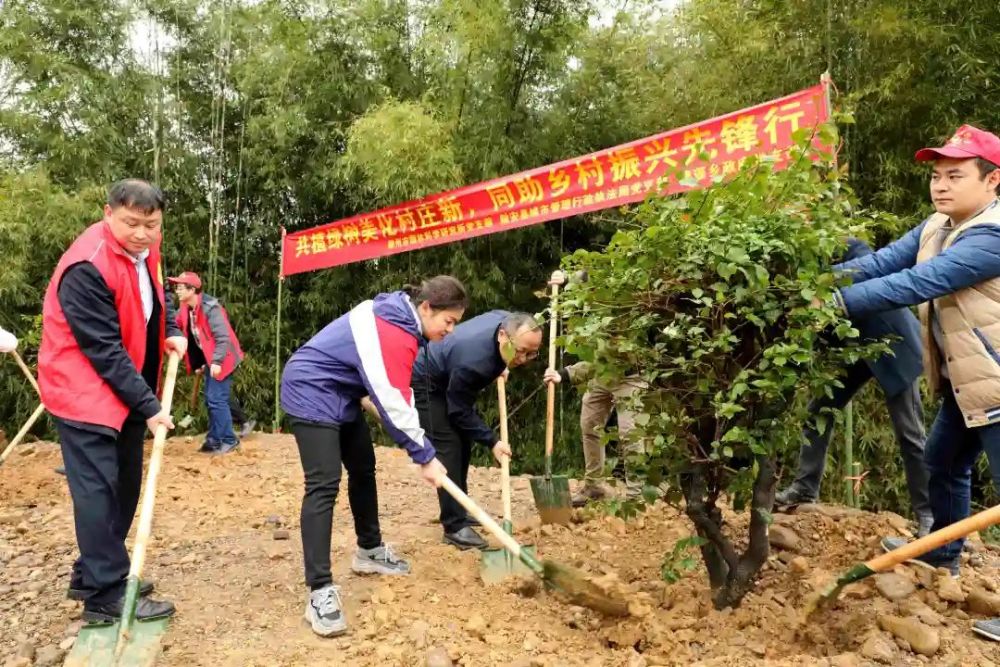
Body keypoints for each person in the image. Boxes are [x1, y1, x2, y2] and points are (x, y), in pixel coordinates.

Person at [823, 125, 1000, 642]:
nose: (941, 186)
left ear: (993, 183)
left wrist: (834, 304)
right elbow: (880, 263)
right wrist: (814, 281)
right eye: (937, 176)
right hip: (969, 384)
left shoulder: (991, 236)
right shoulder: (937, 226)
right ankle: (942, 559)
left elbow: (918, 282)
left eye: (956, 176)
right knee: (942, 462)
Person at [280, 276, 463, 637]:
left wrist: (418, 444)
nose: (450, 330)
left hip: (343, 393)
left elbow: (394, 392)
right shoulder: (394, 329)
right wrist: (424, 455)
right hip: (310, 389)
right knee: (323, 484)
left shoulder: (402, 322)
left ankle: (369, 550)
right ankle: (320, 591)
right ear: (426, 308)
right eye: (449, 321)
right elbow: (393, 399)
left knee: (363, 467)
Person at [37, 179, 185, 623]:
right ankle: (104, 594)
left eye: (151, 225)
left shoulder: (146, 251)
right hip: (83, 390)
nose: (141, 233)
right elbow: (103, 350)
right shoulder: (87, 266)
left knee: (124, 485)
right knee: (99, 491)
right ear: (108, 214)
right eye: (131, 223)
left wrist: (173, 329)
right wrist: (152, 405)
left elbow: (159, 299)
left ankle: (94, 572)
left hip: (126, 387)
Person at [776, 239, 933, 535]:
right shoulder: (794, 260)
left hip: (891, 346)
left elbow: (867, 271)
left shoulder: (848, 247)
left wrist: (816, 285)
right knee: (818, 412)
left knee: (910, 433)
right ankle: (805, 488)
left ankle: (928, 514)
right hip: (851, 352)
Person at [411, 311, 538, 550]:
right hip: (427, 379)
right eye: (520, 351)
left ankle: (460, 507)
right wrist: (492, 441)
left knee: (463, 439)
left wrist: (503, 362)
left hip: (450, 369)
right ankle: (454, 526)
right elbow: (458, 410)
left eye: (531, 353)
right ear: (502, 335)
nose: (523, 359)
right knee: (448, 444)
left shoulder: (509, 320)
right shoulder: (474, 362)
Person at [543, 362, 646, 505]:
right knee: (590, 424)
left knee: (630, 433)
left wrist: (567, 373)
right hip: (602, 376)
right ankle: (594, 487)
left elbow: (607, 359)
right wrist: (564, 373)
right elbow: (596, 355)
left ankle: (635, 497)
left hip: (630, 377)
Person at [168, 271, 245, 454]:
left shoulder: (211, 308)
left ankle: (228, 439)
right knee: (212, 399)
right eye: (176, 286)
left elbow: (223, 337)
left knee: (217, 399)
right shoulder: (186, 309)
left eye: (180, 287)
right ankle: (214, 440)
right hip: (211, 358)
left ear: (192, 289)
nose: (176, 290)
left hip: (224, 357)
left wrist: (216, 361)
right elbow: (177, 324)